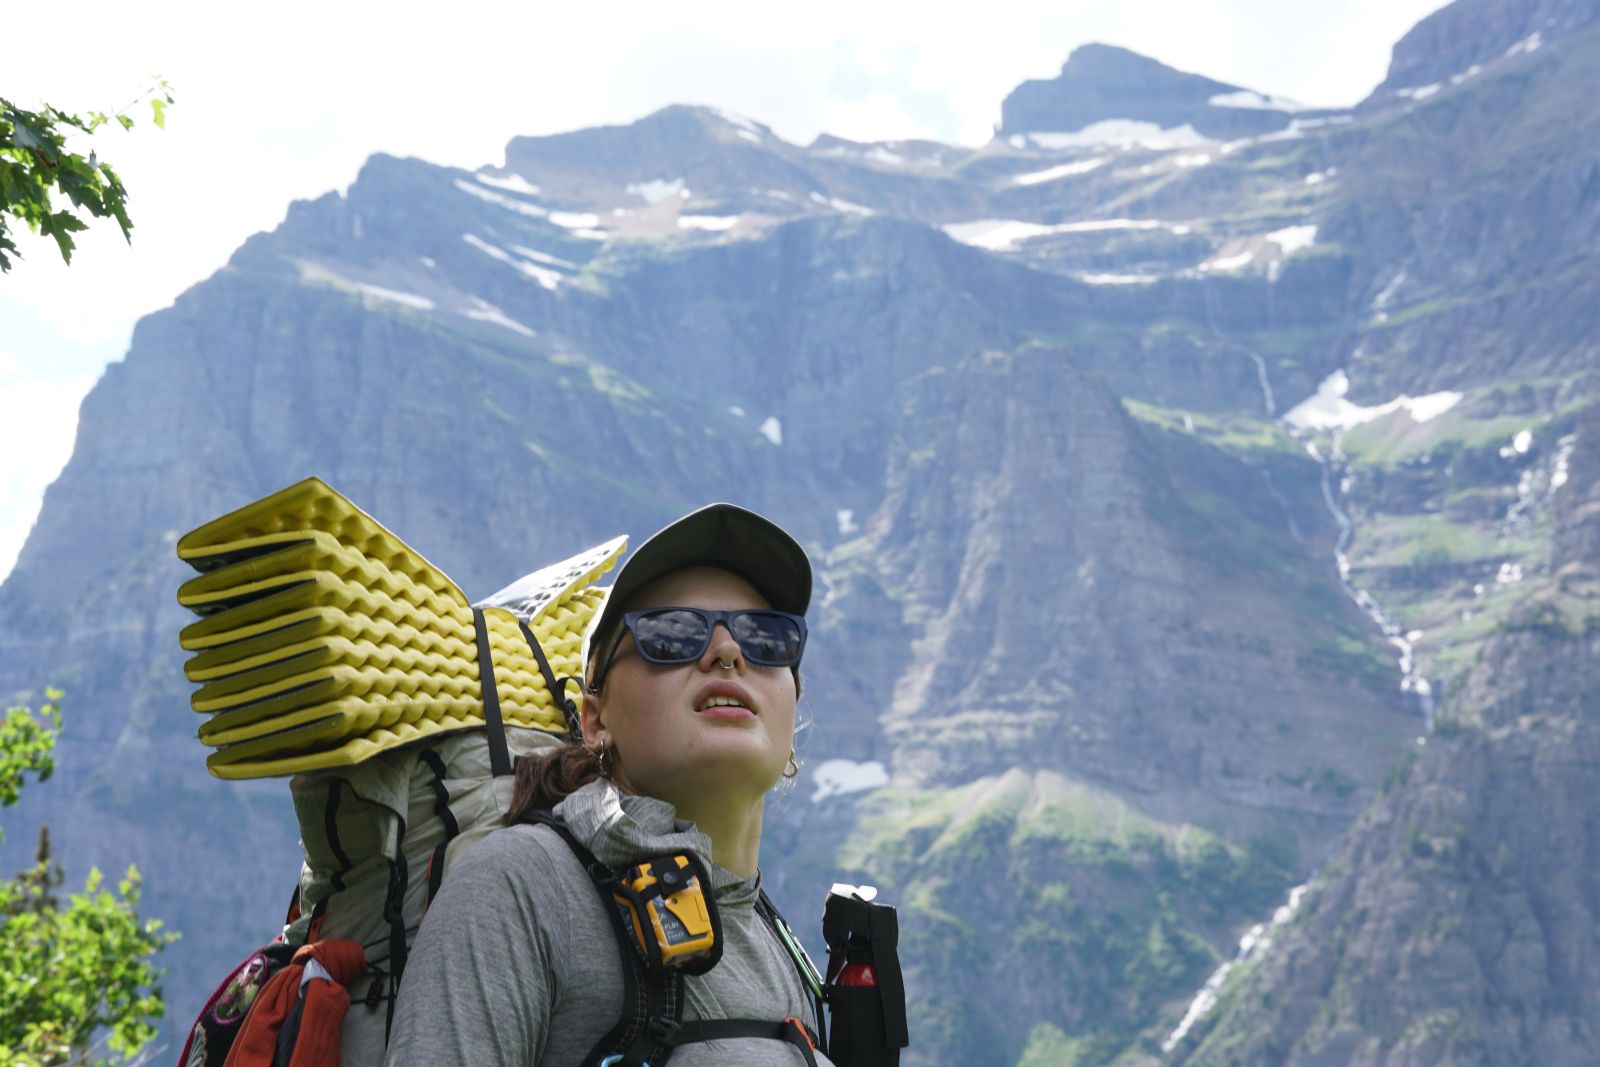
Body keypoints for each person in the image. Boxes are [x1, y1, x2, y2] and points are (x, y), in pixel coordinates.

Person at [384, 503, 833, 1066]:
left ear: (791, 724)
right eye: (672, 635)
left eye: (768, 640)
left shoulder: (780, 946)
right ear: (595, 719)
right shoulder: (523, 886)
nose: (729, 652)